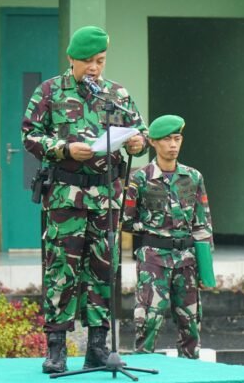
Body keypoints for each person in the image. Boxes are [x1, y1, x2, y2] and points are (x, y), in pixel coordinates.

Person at [21, 25, 148, 373]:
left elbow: (140, 130)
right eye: (88, 61)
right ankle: (57, 349)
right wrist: (62, 148)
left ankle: (97, 346)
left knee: (103, 270)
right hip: (66, 197)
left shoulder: (115, 94)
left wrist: (139, 142)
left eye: (100, 61)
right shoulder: (50, 92)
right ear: (71, 59)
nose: (94, 68)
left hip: (107, 197)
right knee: (62, 270)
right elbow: (30, 135)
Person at [122, 114, 213, 359]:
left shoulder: (193, 177)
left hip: (187, 260)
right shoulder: (139, 179)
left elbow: (203, 224)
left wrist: (206, 269)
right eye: (166, 140)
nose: (173, 145)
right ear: (152, 142)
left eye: (177, 138)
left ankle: (190, 374)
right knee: (148, 323)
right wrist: (153, 229)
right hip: (154, 260)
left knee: (191, 325)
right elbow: (126, 220)